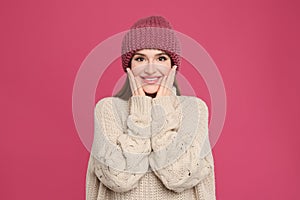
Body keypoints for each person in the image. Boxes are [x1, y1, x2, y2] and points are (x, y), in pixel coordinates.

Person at [86, 15, 216, 200]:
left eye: (161, 58)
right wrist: (140, 116)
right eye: (140, 59)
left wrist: (161, 110)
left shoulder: (194, 110)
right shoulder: (108, 110)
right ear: (129, 66)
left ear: (173, 66)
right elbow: (119, 179)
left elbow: (178, 176)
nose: (150, 69)